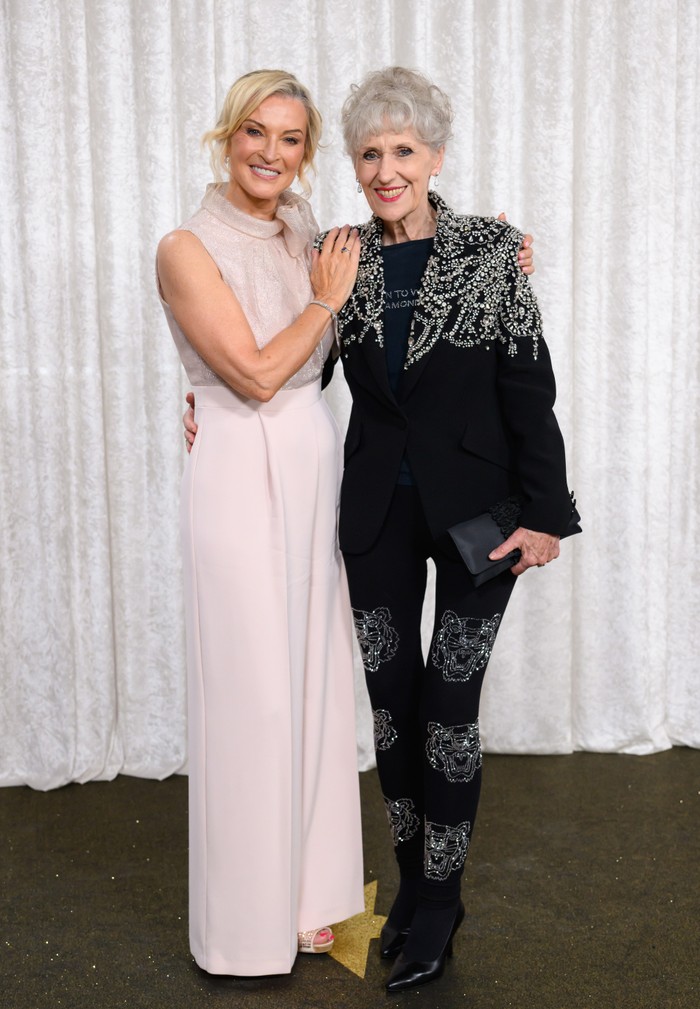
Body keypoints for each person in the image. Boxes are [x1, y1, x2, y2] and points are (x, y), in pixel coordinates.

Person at [180, 68, 542, 989]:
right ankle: (416, 887)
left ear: (436, 157)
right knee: (393, 714)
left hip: (479, 521)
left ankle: (442, 904)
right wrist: (196, 396)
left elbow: (529, 388)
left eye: (405, 152)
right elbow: (285, 353)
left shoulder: (489, 252)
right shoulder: (341, 256)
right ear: (351, 161)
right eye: (371, 153)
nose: (387, 169)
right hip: (373, 515)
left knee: (449, 713)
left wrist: (547, 515)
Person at [156, 70, 364, 977]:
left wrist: (501, 250)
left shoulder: (312, 234)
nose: (270, 153)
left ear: (305, 151)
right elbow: (248, 373)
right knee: (253, 691)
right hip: (240, 463)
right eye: (255, 133)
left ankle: (315, 901)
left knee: (314, 678)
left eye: (289, 138)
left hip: (315, 458)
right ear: (225, 137)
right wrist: (324, 300)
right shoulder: (185, 245)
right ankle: (245, 927)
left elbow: (410, 251)